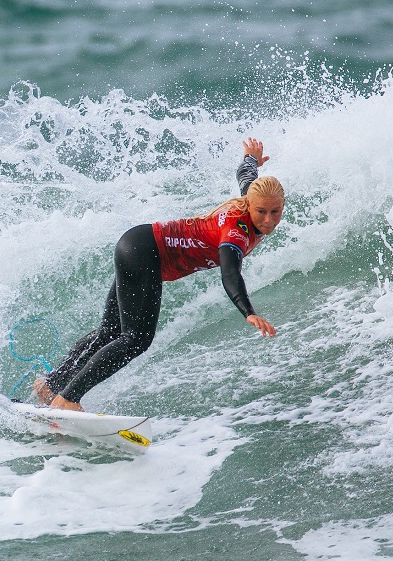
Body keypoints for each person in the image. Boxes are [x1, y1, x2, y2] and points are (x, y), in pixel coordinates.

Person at [33, 137, 285, 411]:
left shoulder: (253, 196)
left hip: (137, 244)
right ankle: (68, 399)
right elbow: (230, 273)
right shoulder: (236, 231)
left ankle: (52, 386)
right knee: (136, 339)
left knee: (111, 332)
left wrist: (251, 159)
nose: (268, 219)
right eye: (261, 211)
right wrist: (247, 311)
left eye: (276, 211)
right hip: (145, 253)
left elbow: (247, 176)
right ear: (249, 205)